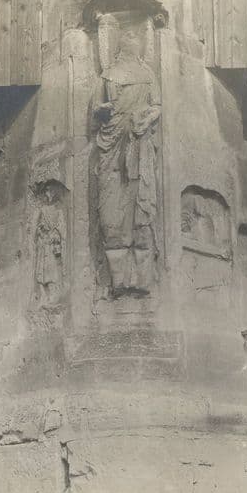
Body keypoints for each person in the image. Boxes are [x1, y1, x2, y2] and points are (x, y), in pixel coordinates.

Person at [92, 29, 161, 296]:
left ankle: (143, 280)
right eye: (127, 42)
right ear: (120, 47)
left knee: (142, 212)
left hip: (139, 144)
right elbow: (95, 109)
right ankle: (118, 282)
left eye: (135, 42)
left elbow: (157, 105)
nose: (131, 45)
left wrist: (147, 117)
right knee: (110, 215)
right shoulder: (107, 76)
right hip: (112, 145)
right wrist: (102, 110)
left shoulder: (148, 74)